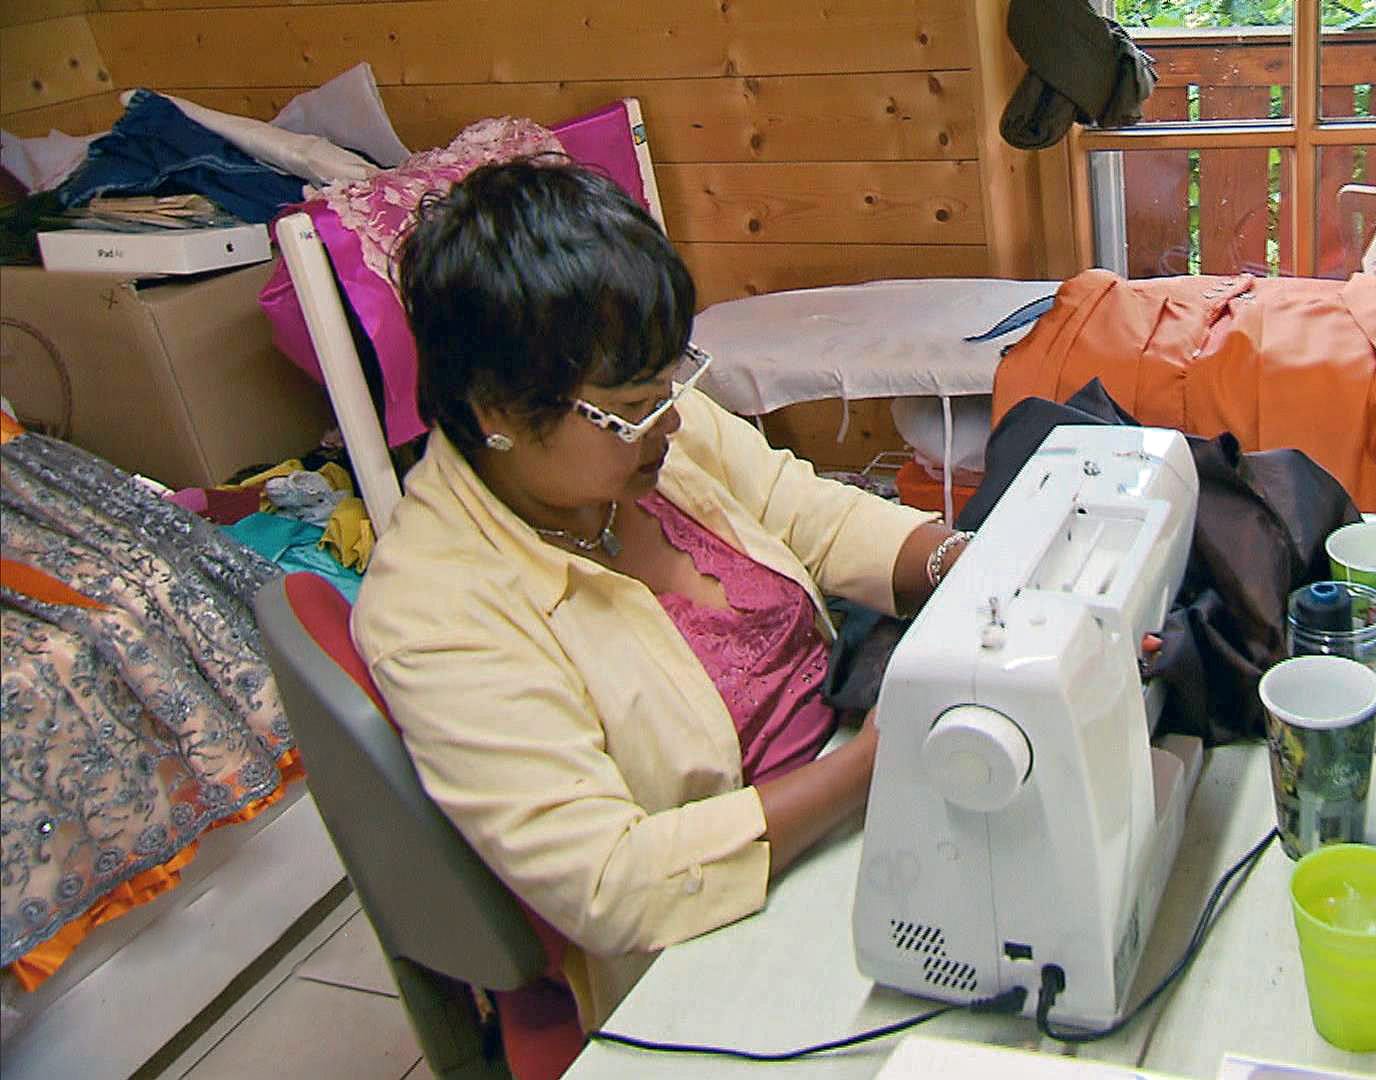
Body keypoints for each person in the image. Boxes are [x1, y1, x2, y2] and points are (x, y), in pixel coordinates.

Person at [349, 157, 969, 1029]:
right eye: (638, 405)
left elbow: (808, 514)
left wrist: (969, 566)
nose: (673, 419)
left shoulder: (641, 439)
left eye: (672, 382)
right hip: (720, 924)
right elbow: (615, 883)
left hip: (857, 775)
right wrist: (869, 768)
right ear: (496, 409)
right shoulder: (436, 608)